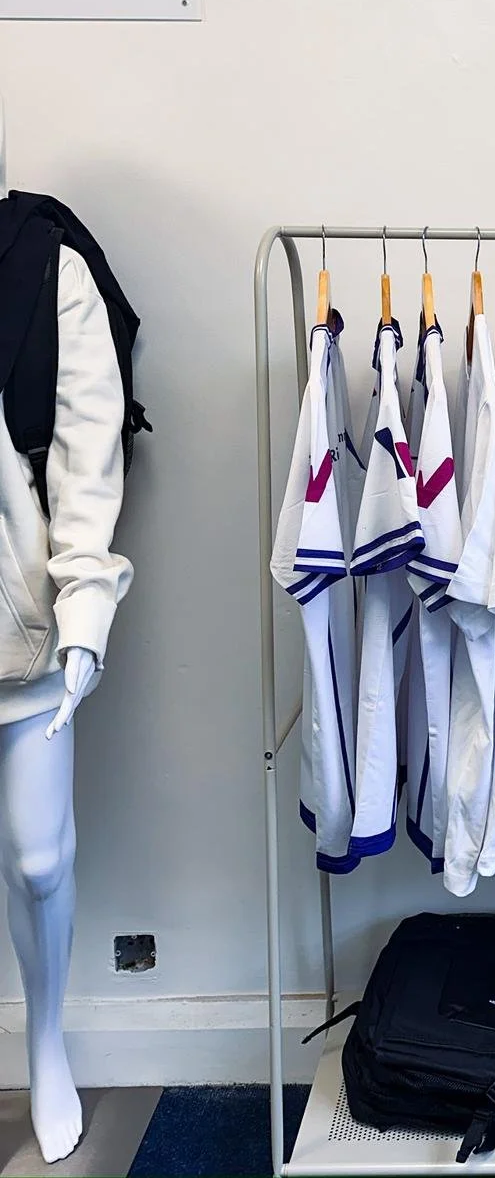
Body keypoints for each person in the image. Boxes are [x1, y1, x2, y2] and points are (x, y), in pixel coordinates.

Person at [0, 113, 132, 1161]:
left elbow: (85, 473)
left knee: (41, 858)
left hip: (22, 626)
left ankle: (48, 1039)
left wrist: (84, 618)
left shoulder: (49, 274)